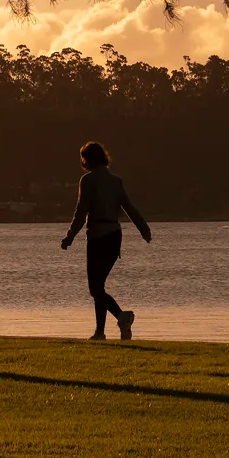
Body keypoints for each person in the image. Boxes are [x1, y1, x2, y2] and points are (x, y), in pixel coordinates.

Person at [59, 141, 151, 340]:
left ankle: (121, 316)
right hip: (114, 236)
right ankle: (100, 332)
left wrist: (69, 236)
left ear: (87, 159)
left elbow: (81, 212)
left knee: (95, 287)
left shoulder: (87, 181)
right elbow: (129, 207)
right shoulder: (115, 181)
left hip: (97, 236)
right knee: (98, 286)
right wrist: (143, 229)